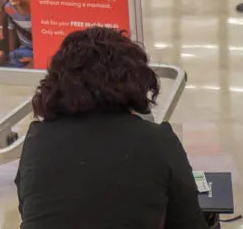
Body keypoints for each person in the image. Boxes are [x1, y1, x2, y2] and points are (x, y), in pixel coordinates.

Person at [16, 27, 206, 229]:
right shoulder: (158, 141)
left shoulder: (38, 140)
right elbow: (189, 223)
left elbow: (32, 213)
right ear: (136, 79)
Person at [0, 0, 33, 68]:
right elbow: (11, 33)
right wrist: (10, 54)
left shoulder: (41, 9)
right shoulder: (9, 8)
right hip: (22, 51)